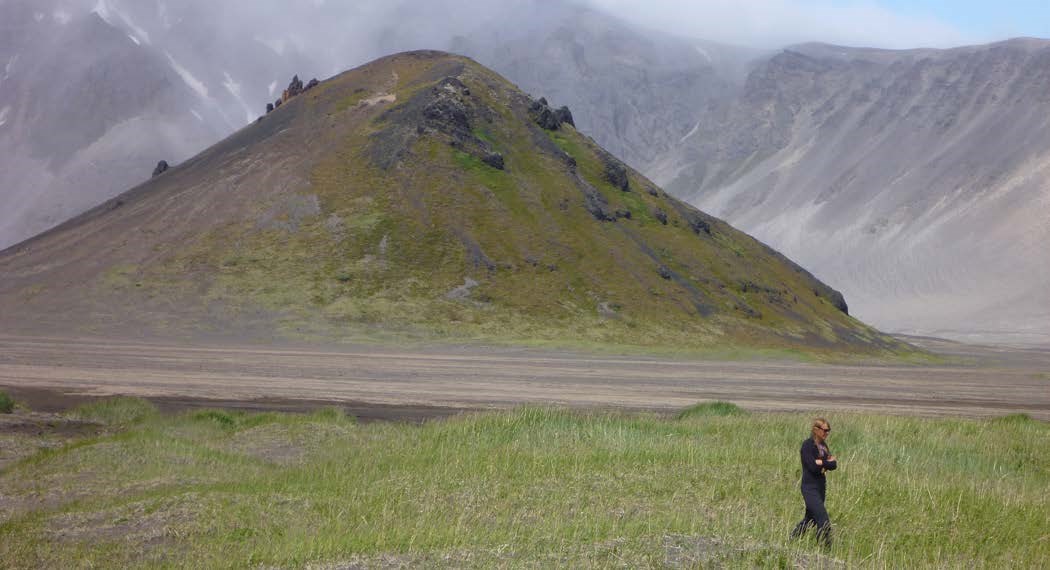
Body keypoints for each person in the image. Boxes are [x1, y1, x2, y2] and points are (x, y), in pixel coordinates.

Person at [790, 417, 837, 548]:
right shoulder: (807, 445)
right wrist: (825, 463)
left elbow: (834, 465)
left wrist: (822, 462)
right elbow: (812, 466)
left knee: (810, 519)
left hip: (821, 487)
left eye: (829, 431)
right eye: (825, 430)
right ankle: (825, 548)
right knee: (823, 519)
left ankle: (792, 540)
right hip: (809, 488)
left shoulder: (823, 446)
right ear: (816, 430)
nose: (827, 433)